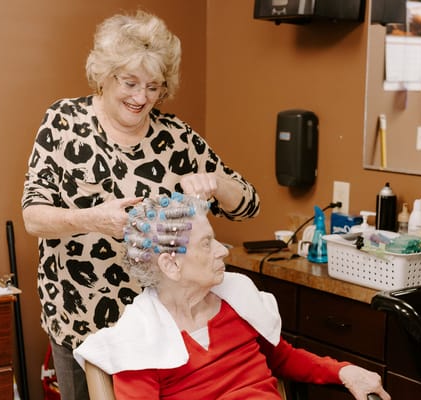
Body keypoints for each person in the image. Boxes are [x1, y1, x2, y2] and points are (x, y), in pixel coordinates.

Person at [21, 10, 260, 400]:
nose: (140, 97)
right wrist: (93, 219)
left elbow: (248, 205)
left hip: (157, 331)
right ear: (104, 75)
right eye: (130, 82)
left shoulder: (176, 138)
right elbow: (34, 216)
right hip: (79, 322)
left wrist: (216, 183)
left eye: (153, 86)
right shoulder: (63, 123)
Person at [73, 193, 391, 400]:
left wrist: (343, 371)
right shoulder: (140, 341)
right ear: (170, 264)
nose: (223, 251)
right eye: (207, 244)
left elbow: (282, 358)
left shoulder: (238, 300)